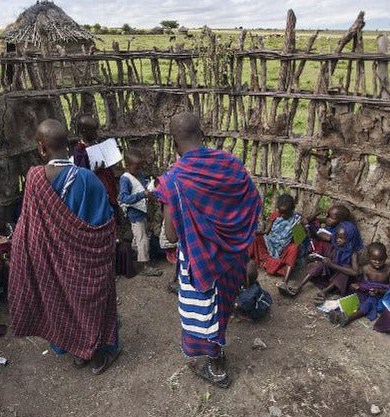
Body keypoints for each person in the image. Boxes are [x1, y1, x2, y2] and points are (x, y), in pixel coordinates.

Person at [154, 111, 262, 389]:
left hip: (200, 259)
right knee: (222, 306)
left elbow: (171, 235)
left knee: (204, 313)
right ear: (201, 134)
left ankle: (216, 366)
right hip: (232, 256)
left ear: (173, 141)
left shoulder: (173, 181)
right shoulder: (230, 163)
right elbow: (252, 202)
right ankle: (217, 358)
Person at [9, 118, 122, 375]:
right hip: (86, 263)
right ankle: (96, 356)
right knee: (91, 303)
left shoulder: (35, 179)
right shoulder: (87, 180)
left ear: (41, 147)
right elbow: (104, 227)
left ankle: (78, 352)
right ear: (69, 144)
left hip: (50, 261)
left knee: (61, 301)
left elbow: (28, 226)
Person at [280, 220, 363, 302]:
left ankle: (324, 292)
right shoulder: (333, 245)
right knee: (319, 264)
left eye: (342, 238)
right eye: (337, 237)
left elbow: (355, 272)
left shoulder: (353, 253)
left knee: (345, 271)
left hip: (338, 282)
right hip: (327, 275)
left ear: (350, 240)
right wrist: (316, 257)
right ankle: (299, 286)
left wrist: (332, 265)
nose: (338, 240)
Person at [329, 242, 390, 327]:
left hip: (380, 296)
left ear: (386, 258)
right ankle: (337, 313)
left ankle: (348, 319)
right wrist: (358, 286)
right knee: (352, 297)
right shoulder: (366, 269)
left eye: (381, 260)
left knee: (369, 303)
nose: (378, 262)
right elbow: (365, 284)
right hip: (366, 293)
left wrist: (379, 291)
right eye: (374, 260)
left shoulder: (389, 271)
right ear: (368, 258)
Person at [118, 150, 162, 277]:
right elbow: (124, 198)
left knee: (140, 237)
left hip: (142, 211)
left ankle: (135, 256)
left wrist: (150, 186)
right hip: (134, 213)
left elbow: (143, 185)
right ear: (128, 165)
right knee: (142, 239)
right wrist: (141, 195)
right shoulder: (125, 179)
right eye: (136, 167)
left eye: (139, 167)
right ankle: (144, 266)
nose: (138, 170)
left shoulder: (139, 174)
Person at [249, 193, 304, 288]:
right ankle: (245, 264)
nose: (282, 215)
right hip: (271, 244)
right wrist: (257, 233)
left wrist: (299, 227)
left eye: (285, 213)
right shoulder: (275, 215)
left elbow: (298, 241)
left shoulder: (296, 220)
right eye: (280, 212)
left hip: (284, 249)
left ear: (292, 209)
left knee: (294, 248)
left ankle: (284, 282)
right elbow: (266, 232)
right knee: (254, 238)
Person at [72, 113, 120, 210]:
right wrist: (96, 171)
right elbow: (82, 175)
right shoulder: (80, 151)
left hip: (108, 186)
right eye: (93, 131)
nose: (96, 134)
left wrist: (115, 152)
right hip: (95, 191)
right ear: (84, 132)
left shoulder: (97, 144)